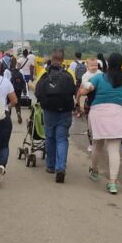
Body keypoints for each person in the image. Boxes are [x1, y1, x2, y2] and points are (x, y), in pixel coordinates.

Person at [78, 53, 122, 195]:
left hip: (98, 114)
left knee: (97, 144)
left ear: (107, 63)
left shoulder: (99, 77)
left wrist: (86, 86)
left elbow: (83, 92)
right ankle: (113, 183)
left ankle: (95, 171)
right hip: (117, 113)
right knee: (114, 149)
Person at [35, 49, 76, 183]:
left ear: (51, 58)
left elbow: (37, 91)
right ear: (63, 60)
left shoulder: (44, 73)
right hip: (64, 112)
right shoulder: (69, 73)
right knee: (62, 139)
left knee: (50, 138)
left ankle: (50, 166)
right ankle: (60, 168)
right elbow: (73, 91)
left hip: (49, 111)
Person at [74, 58, 102, 153]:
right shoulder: (85, 76)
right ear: (87, 66)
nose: (94, 67)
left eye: (96, 65)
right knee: (90, 126)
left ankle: (99, 142)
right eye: (92, 65)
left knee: (99, 125)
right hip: (90, 103)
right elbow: (82, 88)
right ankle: (91, 143)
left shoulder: (100, 73)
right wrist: (90, 86)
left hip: (100, 104)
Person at [6, 57, 26, 124]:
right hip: (18, 89)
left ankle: (8, 117)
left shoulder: (7, 71)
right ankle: (18, 113)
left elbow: (5, 81)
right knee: (17, 103)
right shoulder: (20, 71)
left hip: (10, 90)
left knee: (10, 103)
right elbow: (23, 81)